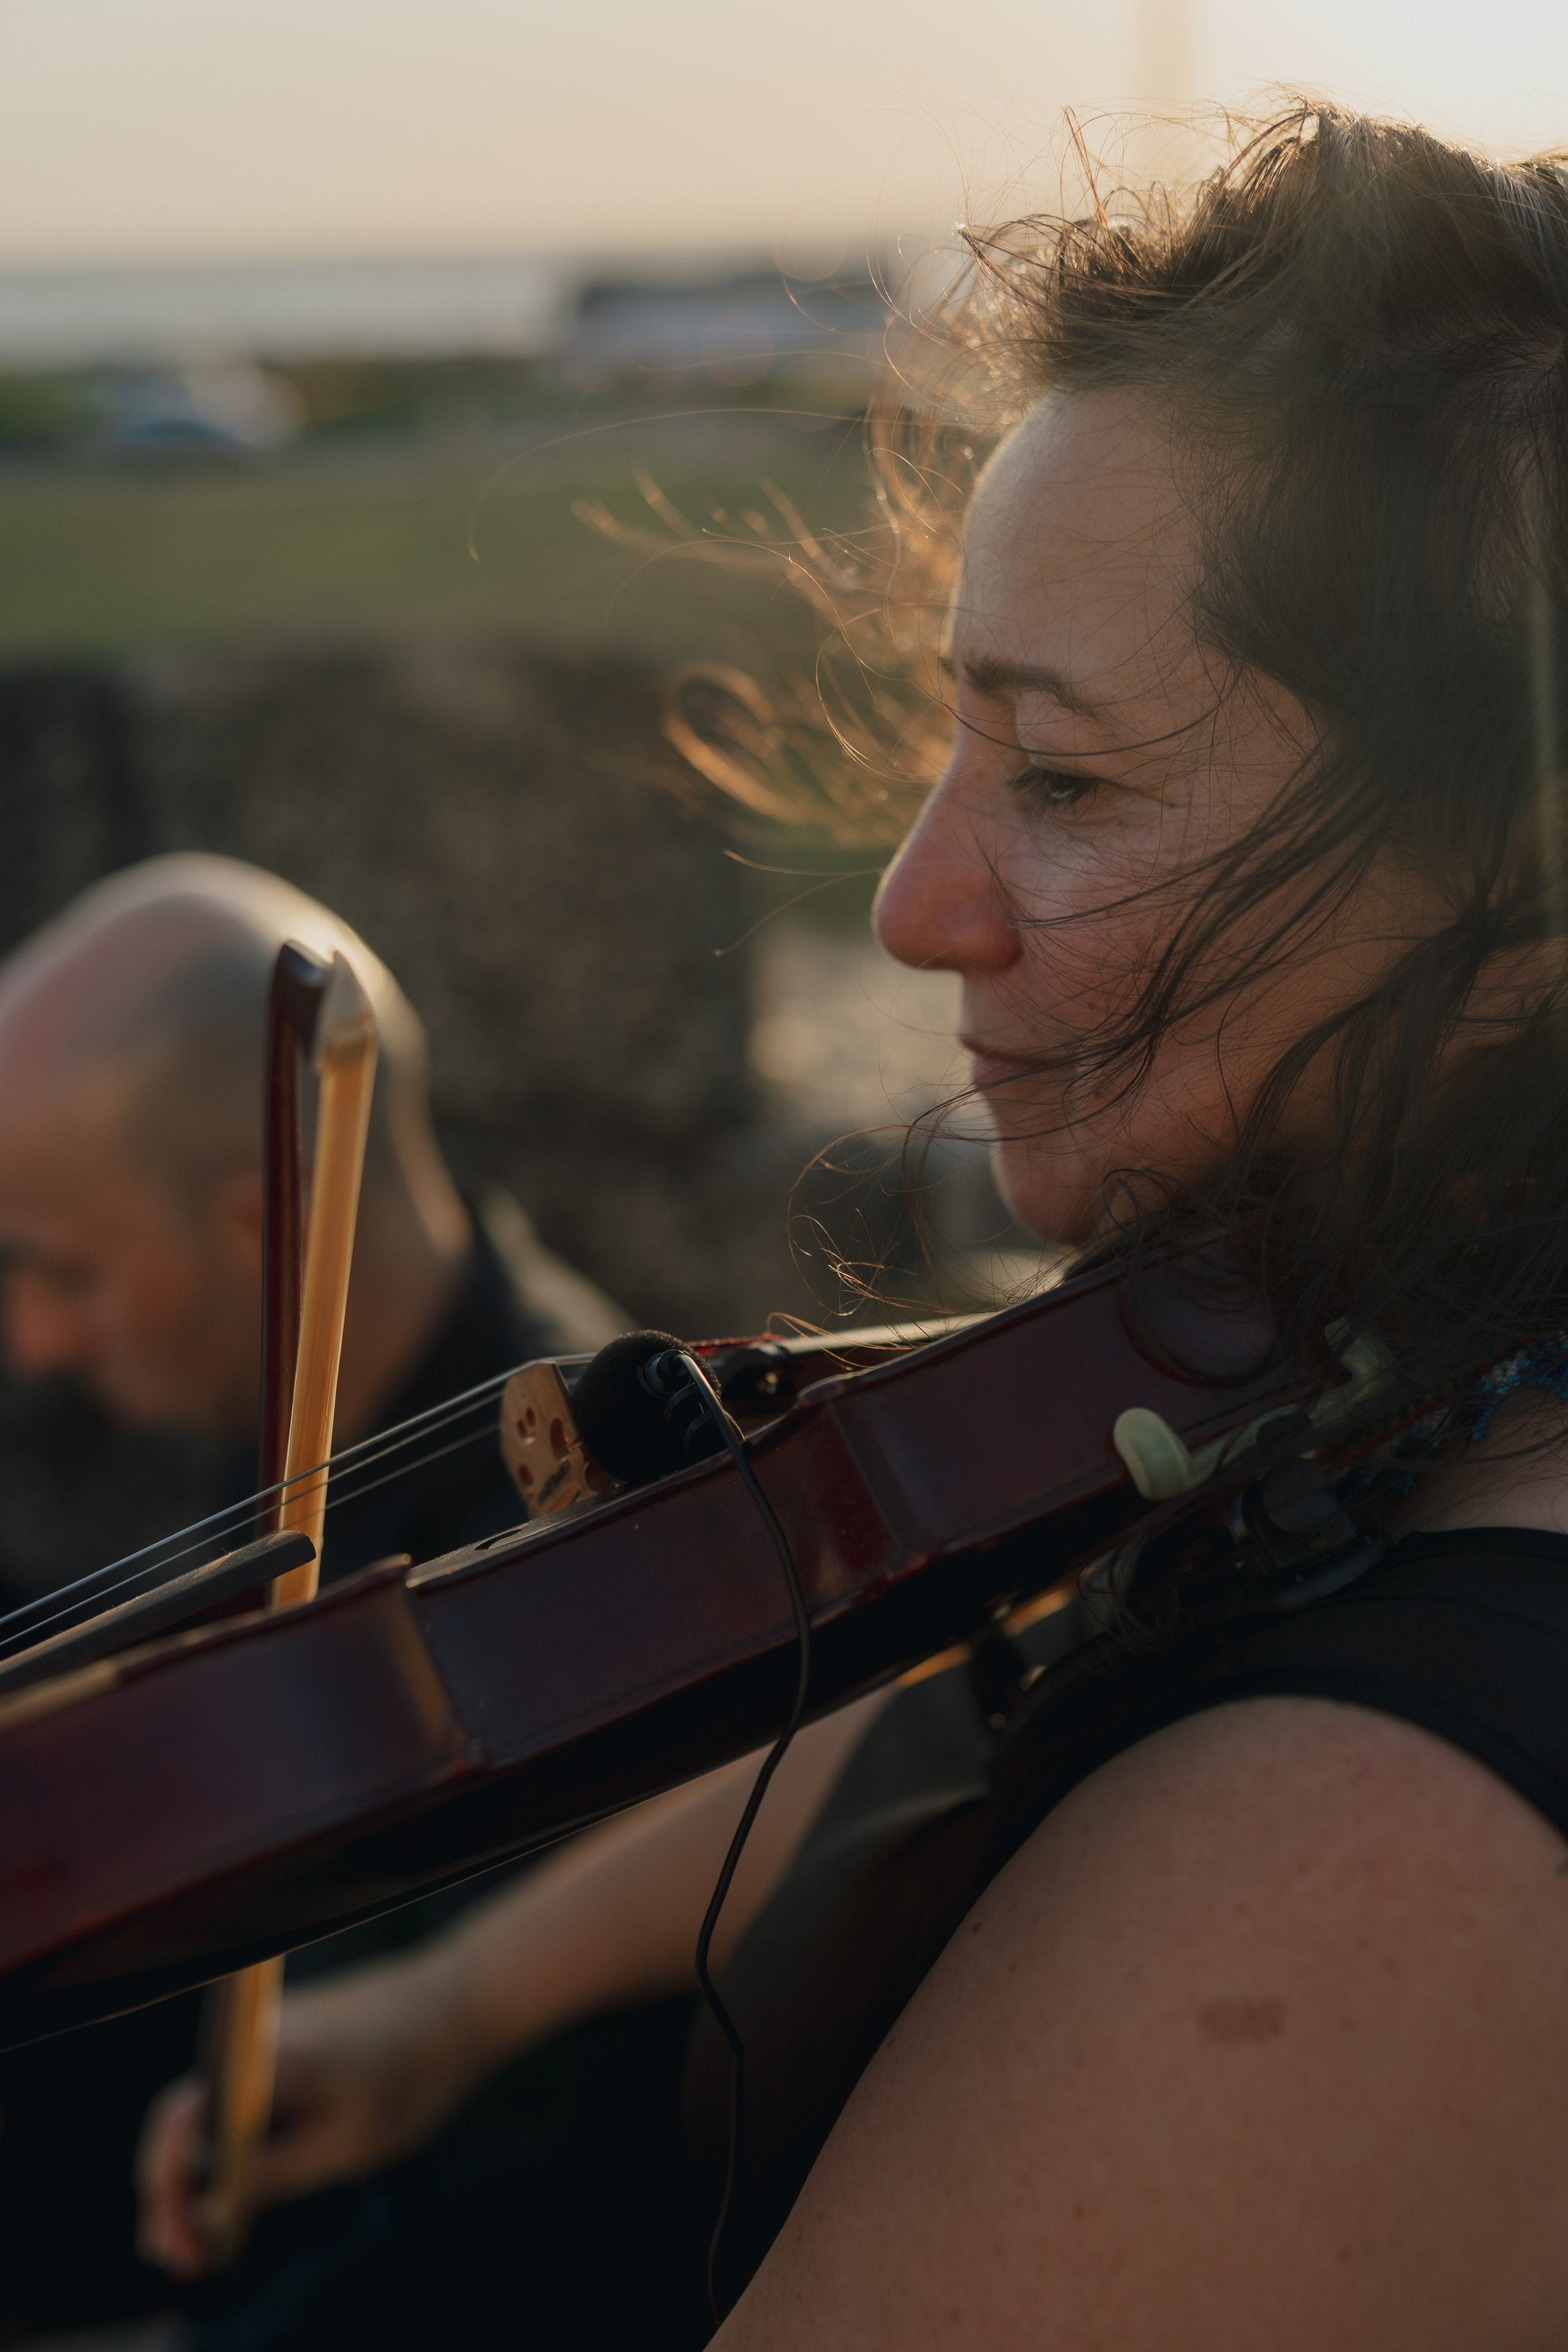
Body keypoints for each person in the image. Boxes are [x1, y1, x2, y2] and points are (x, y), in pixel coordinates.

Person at [138, 104, 1568, 2346]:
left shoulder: (1339, 1843)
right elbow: (956, 1674)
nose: (914, 906)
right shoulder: (1375, 1376)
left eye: (1064, 779)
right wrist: (453, 2006)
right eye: (954, 745)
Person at [0, 853, 629, 2345]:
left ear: (254, 1226)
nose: (33, 1343)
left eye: (64, 1273)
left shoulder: (572, 1568)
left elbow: (483, 2221)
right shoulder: (307, 1420)